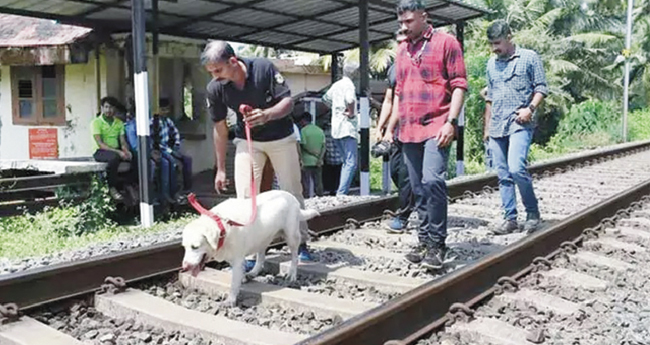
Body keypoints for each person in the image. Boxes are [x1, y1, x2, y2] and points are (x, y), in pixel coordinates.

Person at [202, 40, 312, 261]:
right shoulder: (215, 88)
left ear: (233, 61)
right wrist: (221, 168)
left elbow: (288, 102)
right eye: (210, 72)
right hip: (248, 141)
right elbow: (220, 128)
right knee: (245, 196)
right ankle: (250, 247)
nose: (215, 76)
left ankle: (300, 242)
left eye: (218, 70)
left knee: (292, 190)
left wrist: (267, 114)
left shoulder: (263, 68)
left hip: (281, 137)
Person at [385, 0, 467, 270]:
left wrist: (451, 122)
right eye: (401, 23)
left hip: (437, 126)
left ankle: (437, 243)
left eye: (408, 21)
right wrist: (389, 130)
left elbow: (458, 85)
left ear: (424, 17)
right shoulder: (402, 50)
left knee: (433, 181)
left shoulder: (447, 43)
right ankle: (423, 240)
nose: (404, 27)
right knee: (417, 188)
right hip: (408, 130)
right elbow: (399, 93)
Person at [484, 20, 548, 235]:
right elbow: (490, 98)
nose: (495, 48)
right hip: (497, 126)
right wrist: (486, 129)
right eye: (492, 44)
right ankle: (510, 218)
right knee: (503, 175)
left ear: (509, 37)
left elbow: (541, 88)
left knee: (516, 168)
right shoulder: (491, 64)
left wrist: (530, 108)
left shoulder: (529, 57)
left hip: (520, 123)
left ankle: (532, 213)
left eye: (498, 43)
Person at [376, 29, 414, 234]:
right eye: (398, 42)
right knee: (396, 171)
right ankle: (413, 200)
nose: (402, 46)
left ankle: (403, 215)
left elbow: (403, 102)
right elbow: (390, 100)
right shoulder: (393, 69)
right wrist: (380, 126)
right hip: (397, 130)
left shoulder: (417, 63)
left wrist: (389, 128)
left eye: (405, 41)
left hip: (415, 127)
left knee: (406, 173)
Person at [91, 96, 137, 202]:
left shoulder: (119, 123)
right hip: (100, 151)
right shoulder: (96, 123)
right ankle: (112, 187)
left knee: (135, 156)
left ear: (115, 109)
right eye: (106, 107)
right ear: (102, 108)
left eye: (111, 107)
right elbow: (100, 143)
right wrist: (119, 152)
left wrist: (126, 151)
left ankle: (131, 183)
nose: (108, 110)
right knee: (114, 158)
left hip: (116, 150)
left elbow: (122, 141)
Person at [322, 61, 359, 196]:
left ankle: (341, 191)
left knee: (345, 162)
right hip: (347, 127)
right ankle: (342, 192)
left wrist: (335, 109)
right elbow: (350, 100)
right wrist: (351, 112)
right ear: (355, 72)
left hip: (336, 127)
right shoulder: (349, 85)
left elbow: (325, 98)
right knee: (351, 163)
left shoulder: (336, 85)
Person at [152, 98, 193, 204]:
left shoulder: (167, 121)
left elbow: (175, 133)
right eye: (163, 110)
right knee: (173, 164)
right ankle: (171, 193)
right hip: (161, 149)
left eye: (167, 110)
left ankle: (186, 189)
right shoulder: (154, 122)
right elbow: (154, 140)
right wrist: (170, 151)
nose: (165, 112)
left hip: (169, 148)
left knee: (187, 160)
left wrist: (176, 145)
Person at [296, 112, 326, 198]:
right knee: (318, 182)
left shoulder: (303, 131)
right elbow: (324, 146)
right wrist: (320, 158)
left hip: (306, 161)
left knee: (305, 182)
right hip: (318, 162)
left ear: (303, 121)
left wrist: (301, 159)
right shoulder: (320, 130)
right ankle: (320, 198)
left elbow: (302, 145)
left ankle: (306, 199)